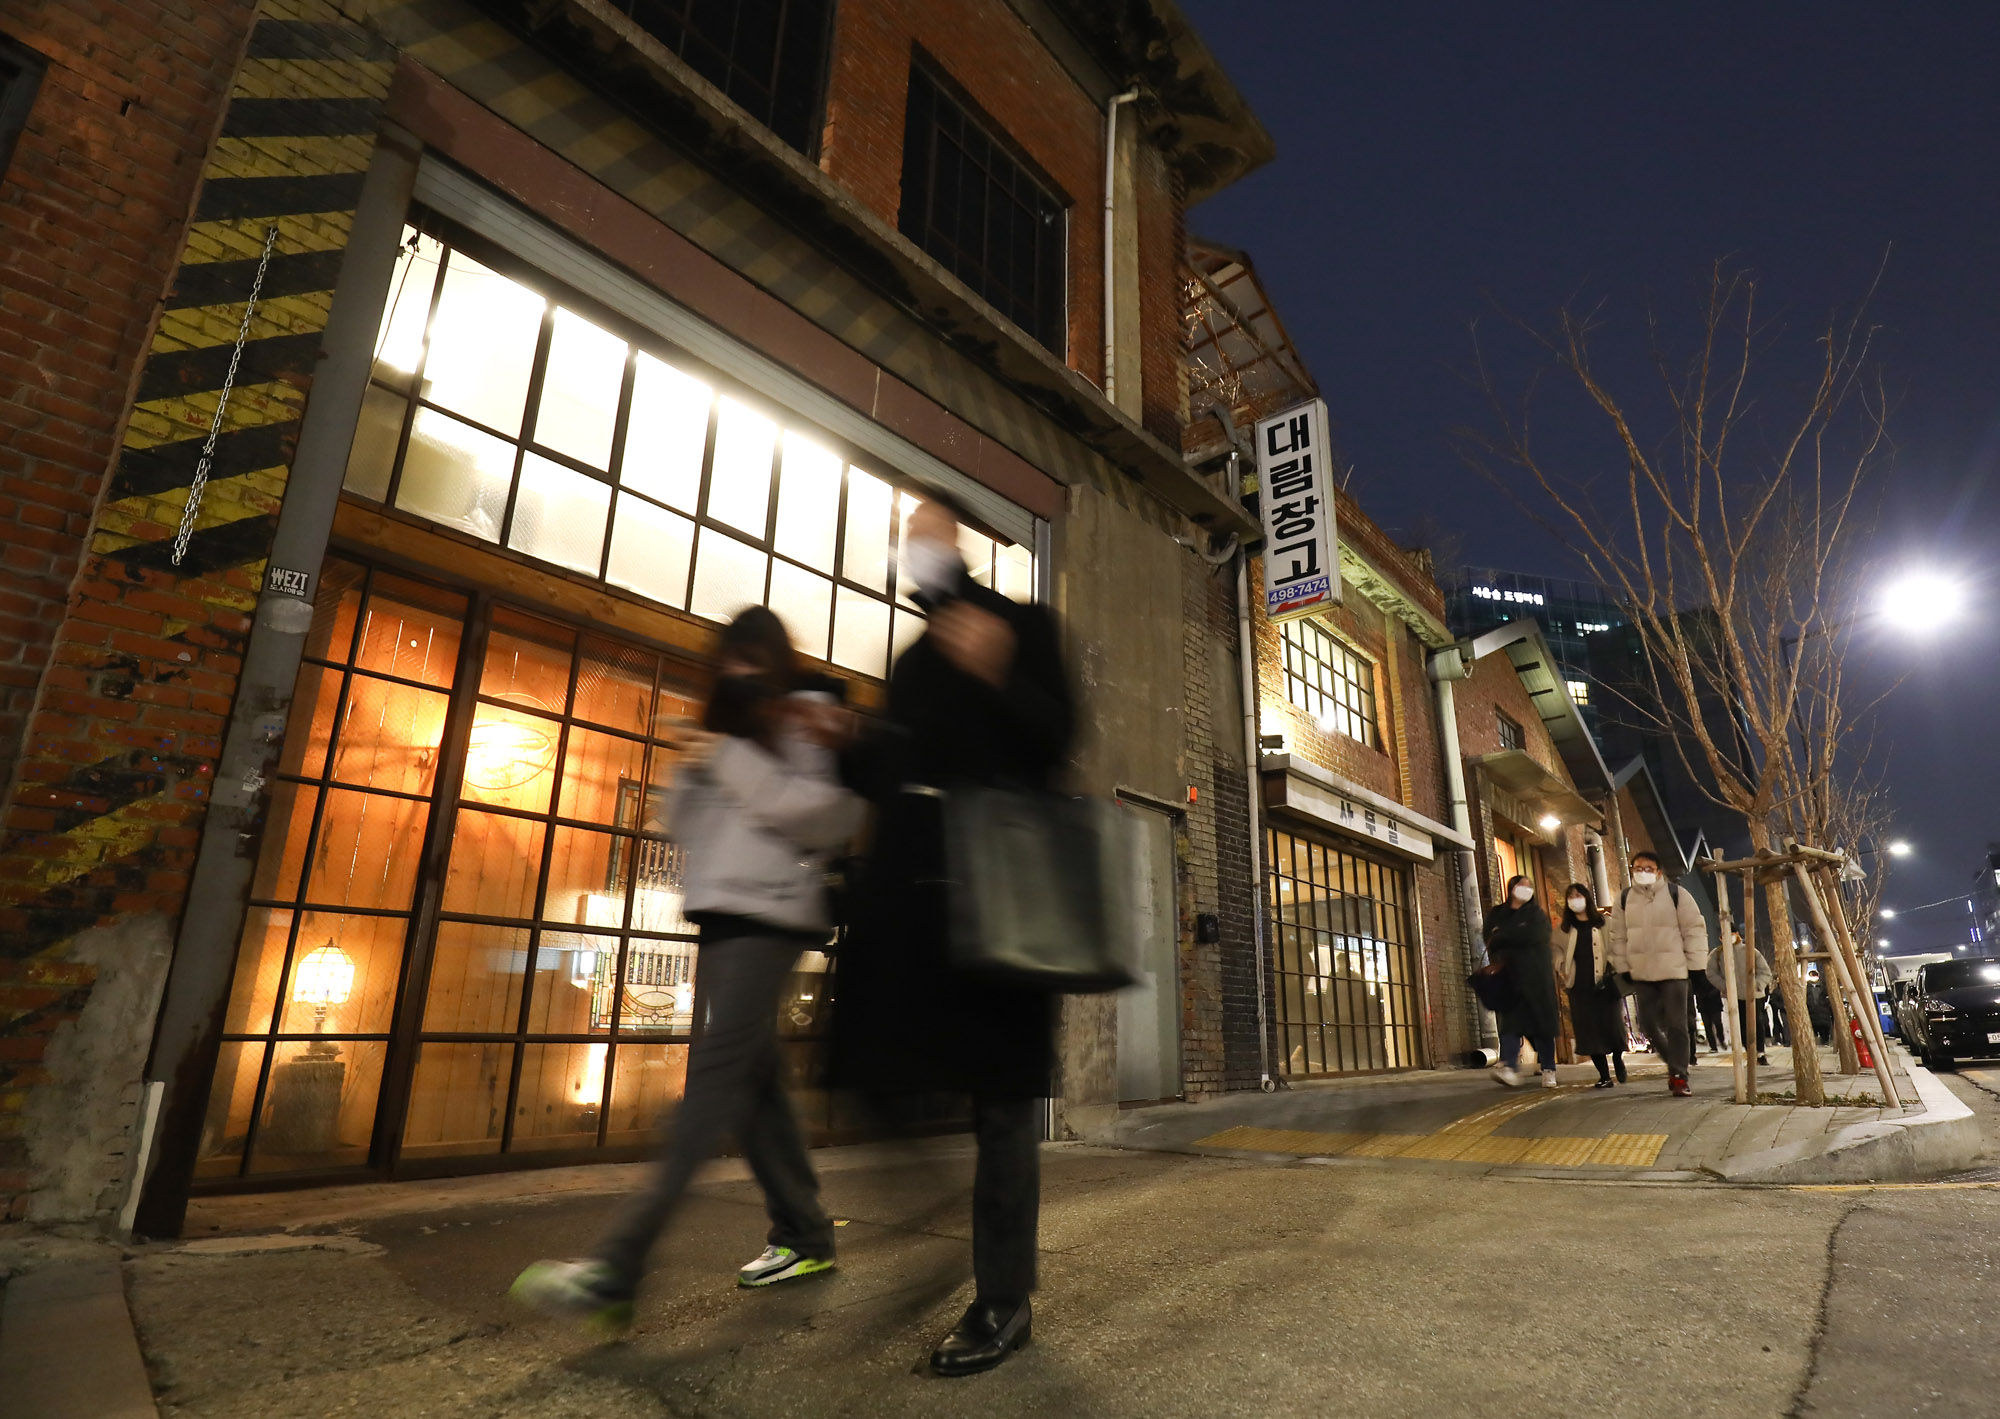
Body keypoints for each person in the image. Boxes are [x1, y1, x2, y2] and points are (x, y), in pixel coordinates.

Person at [510, 607, 863, 1334]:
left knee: (708, 1085)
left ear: (777, 657)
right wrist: (695, 768)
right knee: (755, 1084)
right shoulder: (725, 729)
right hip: (722, 917)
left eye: (753, 657)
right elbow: (689, 828)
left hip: (770, 916)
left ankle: (618, 1265)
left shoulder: (808, 710)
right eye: (729, 658)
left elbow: (823, 816)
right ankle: (804, 1231)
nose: (739, 671)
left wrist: (725, 759)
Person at [826, 499, 1073, 1377]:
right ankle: (939, 1213)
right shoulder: (909, 659)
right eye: (908, 539)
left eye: (928, 534)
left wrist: (1003, 670)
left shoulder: (1021, 623)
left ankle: (1003, 1297)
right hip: (913, 912)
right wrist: (845, 741)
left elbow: (1059, 737)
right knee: (867, 1073)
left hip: (1002, 897)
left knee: (1003, 1105)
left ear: (960, 544)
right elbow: (895, 775)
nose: (917, 549)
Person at [1605, 849, 1709, 1096]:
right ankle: (1674, 1065)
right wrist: (1623, 967)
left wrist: (1696, 967)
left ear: (1659, 872)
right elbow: (1617, 937)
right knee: (1649, 1026)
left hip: (1674, 971)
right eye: (1638, 868)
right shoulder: (1624, 899)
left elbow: (1694, 930)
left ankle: (1679, 1077)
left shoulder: (1677, 895)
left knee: (1677, 1025)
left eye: (1648, 868)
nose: (1642, 872)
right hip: (1641, 973)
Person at [1481, 875, 1560, 1089]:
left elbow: (1535, 936)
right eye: (1521, 885)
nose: (1525, 889)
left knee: (1542, 1025)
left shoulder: (1537, 915)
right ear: (1511, 887)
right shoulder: (1498, 913)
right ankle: (1510, 1067)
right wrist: (1512, 935)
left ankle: (1548, 1068)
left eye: (1529, 886)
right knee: (1511, 1024)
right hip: (1510, 976)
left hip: (1537, 978)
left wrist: (1504, 934)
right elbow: (1489, 936)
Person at [1556, 882, 1626, 1087]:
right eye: (1570, 897)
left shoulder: (1604, 922)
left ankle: (1618, 1059)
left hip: (1605, 984)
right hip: (1579, 987)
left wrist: (1612, 965)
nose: (1575, 899)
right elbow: (1556, 950)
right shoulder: (1564, 929)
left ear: (1587, 897)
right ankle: (1604, 1076)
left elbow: (1616, 946)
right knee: (1589, 1032)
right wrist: (1560, 963)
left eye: (1578, 895)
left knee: (1613, 1027)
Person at [1706, 931, 1774, 1066]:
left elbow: (1765, 971)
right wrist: (1725, 987)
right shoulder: (1717, 954)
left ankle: (1760, 1052)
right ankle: (1750, 1052)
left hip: (1754, 995)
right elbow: (1711, 972)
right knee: (1741, 1026)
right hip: (1734, 997)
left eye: (1731, 933)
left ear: (1737, 934)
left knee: (1757, 1024)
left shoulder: (1750, 950)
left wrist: (1757, 985)